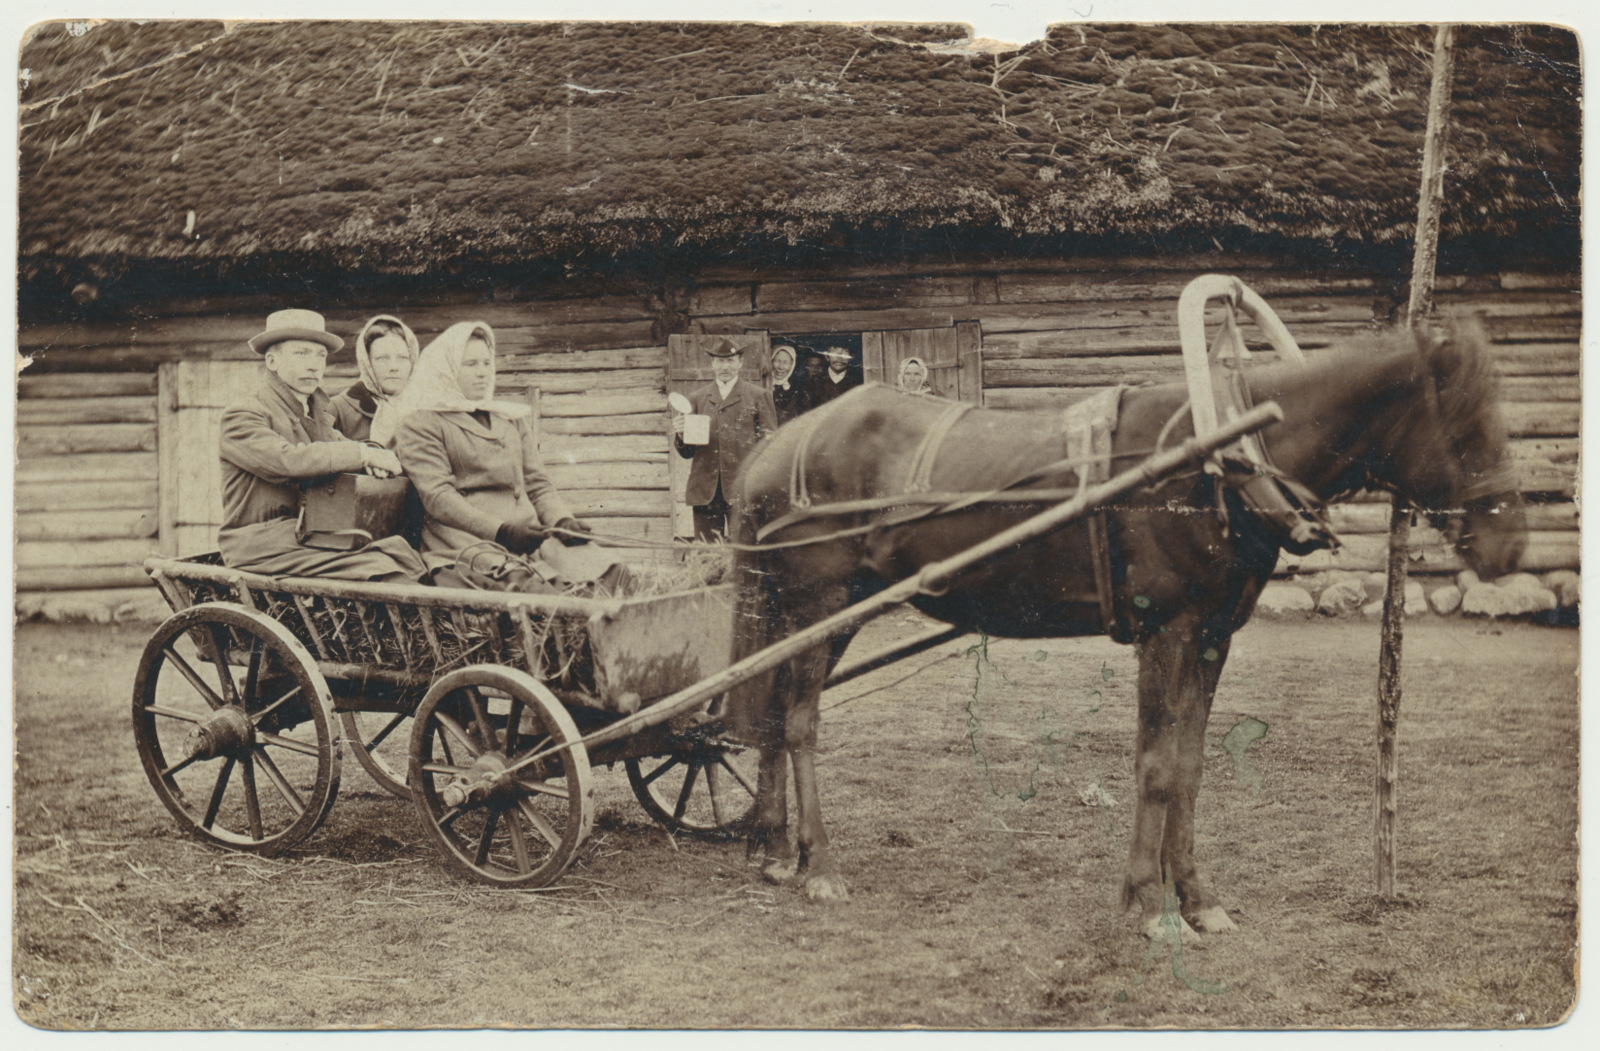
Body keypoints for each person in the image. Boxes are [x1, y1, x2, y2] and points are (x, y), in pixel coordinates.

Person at [379, 321, 628, 594]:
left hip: (530, 539)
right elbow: (438, 498)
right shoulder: (422, 423)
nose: (482, 373)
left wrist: (561, 521)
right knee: (543, 595)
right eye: (471, 364)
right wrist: (502, 532)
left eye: (487, 363)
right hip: (466, 544)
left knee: (611, 575)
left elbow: (537, 483)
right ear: (447, 368)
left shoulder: (508, 418)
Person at [218, 309, 426, 583]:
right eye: (301, 354)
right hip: (259, 541)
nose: (314, 365)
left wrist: (375, 459)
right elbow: (286, 461)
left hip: (306, 531)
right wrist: (363, 454)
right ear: (272, 360)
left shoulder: (317, 414)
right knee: (381, 566)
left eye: (320, 356)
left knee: (399, 551)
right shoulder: (244, 414)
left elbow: (342, 448)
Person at [672, 337, 778, 541]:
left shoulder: (758, 396)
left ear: (740, 362)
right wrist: (681, 435)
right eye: (720, 361)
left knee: (746, 552)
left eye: (730, 361)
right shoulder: (697, 398)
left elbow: (769, 446)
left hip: (743, 490)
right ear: (712, 364)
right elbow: (687, 453)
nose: (725, 367)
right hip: (705, 491)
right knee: (707, 555)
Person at [330, 315, 420, 441]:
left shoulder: (425, 408)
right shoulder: (338, 409)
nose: (393, 367)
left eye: (402, 358)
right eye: (382, 359)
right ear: (367, 363)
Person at [804, 344, 861, 411]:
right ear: (827, 357)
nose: (839, 358)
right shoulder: (812, 382)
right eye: (834, 353)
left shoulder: (859, 382)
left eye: (844, 354)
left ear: (851, 357)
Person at [769, 343, 803, 424]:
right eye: (777, 361)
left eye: (785, 362)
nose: (780, 367)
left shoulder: (798, 388)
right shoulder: (763, 385)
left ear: (792, 365)